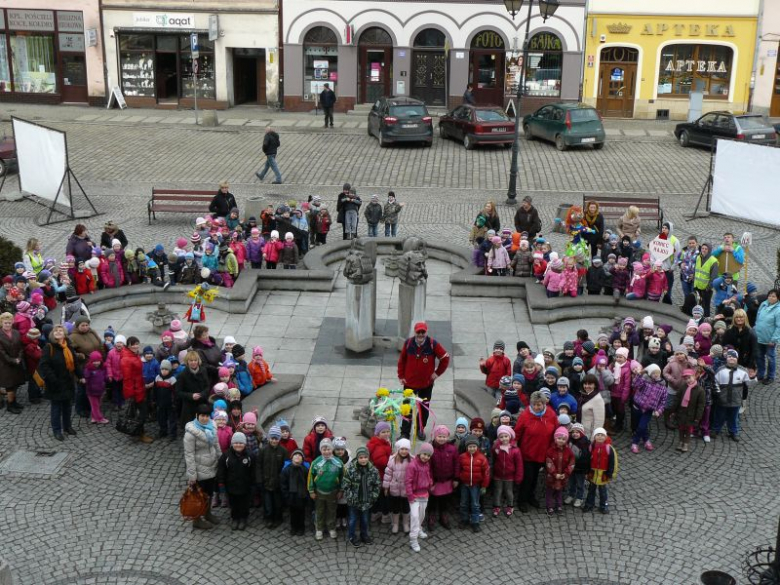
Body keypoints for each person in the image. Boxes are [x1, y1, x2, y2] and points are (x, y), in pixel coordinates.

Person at [397, 321, 451, 440]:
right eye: (418, 332)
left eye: (423, 332)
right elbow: (402, 361)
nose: (420, 334)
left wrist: (437, 373)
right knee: (407, 409)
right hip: (409, 385)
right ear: (415, 332)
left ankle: (420, 429)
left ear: (426, 332)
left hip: (426, 385)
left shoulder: (432, 344)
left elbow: (445, 358)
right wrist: (401, 376)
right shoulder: (408, 343)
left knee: (424, 409)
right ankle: (405, 432)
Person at [514, 390, 558, 512]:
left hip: (543, 453)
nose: (537, 407)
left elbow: (556, 431)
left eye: (539, 404)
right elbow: (517, 433)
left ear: (544, 403)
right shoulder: (525, 415)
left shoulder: (551, 414)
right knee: (527, 478)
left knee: (534, 478)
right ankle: (522, 500)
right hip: (527, 453)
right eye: (535, 404)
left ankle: (530, 496)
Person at [184, 403, 221, 530]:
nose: (204, 418)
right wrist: (192, 475)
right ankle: (197, 519)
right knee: (198, 496)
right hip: (199, 470)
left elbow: (216, 445)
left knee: (209, 493)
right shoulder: (190, 434)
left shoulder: (212, 427)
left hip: (211, 466)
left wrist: (220, 459)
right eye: (202, 416)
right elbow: (189, 455)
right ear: (197, 416)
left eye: (206, 416)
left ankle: (207, 513)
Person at [38, 324, 79, 441]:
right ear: (52, 334)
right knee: (56, 408)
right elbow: (44, 365)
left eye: (60, 331)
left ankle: (67, 426)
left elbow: (74, 363)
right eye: (56, 331)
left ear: (64, 333)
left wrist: (80, 376)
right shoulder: (48, 347)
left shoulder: (68, 346)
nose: (58, 332)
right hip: (55, 383)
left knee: (67, 406)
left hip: (68, 382)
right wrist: (53, 379)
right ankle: (57, 430)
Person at [342, 445, 381, 548]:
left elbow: (377, 484)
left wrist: (373, 496)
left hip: (366, 501)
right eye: (361, 457)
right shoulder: (351, 469)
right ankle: (351, 536)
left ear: (368, 458)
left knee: (364, 519)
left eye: (365, 457)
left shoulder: (373, 470)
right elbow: (345, 485)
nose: (363, 459)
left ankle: (364, 535)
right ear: (357, 458)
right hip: (353, 501)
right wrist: (351, 497)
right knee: (353, 519)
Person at [307, 437, 344, 540]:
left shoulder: (338, 463)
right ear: (321, 450)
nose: (326, 451)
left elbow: (342, 477)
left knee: (331, 510)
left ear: (332, 449)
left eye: (328, 449)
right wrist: (311, 490)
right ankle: (319, 528)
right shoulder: (316, 463)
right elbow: (310, 477)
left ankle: (331, 527)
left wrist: (341, 490)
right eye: (324, 449)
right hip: (319, 492)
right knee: (320, 510)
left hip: (333, 492)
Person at [405, 442, 434, 553]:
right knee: (415, 517)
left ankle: (419, 529)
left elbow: (428, 475)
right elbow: (408, 481)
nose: (425, 457)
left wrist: (430, 483)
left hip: (424, 494)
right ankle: (413, 539)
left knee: (421, 515)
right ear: (419, 453)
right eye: (424, 454)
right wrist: (410, 495)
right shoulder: (412, 465)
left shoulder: (427, 464)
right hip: (414, 496)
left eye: (428, 455)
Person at [458, 436, 490, 532]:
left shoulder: (482, 458)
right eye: (470, 447)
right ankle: (464, 519)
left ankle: (475, 522)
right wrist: (460, 477)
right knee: (463, 503)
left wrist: (484, 485)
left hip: (476, 485)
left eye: (474, 446)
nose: (472, 448)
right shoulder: (462, 457)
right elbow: (458, 469)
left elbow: (486, 472)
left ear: (477, 447)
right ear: (467, 447)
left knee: (475, 504)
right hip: (464, 484)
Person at [490, 425, 523, 517]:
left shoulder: (515, 450)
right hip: (498, 475)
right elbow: (493, 459)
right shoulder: (496, 448)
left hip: (510, 476)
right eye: (501, 436)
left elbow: (519, 465)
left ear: (510, 436)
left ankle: (510, 506)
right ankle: (496, 506)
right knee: (498, 491)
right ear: (498, 438)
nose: (504, 438)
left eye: (506, 436)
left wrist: (518, 477)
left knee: (509, 492)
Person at [582, 428, 616, 513]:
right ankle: (589, 504)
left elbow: (612, 462)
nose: (600, 437)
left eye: (602, 435)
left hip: (603, 473)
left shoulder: (609, 448)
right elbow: (588, 460)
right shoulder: (592, 446)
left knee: (603, 491)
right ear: (594, 436)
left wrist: (610, 473)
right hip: (593, 472)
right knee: (591, 490)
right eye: (598, 435)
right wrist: (587, 471)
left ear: (605, 437)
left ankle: (603, 506)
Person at [383, 438, 412, 534]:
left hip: (406, 489)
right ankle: (395, 524)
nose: (404, 451)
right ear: (398, 449)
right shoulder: (392, 459)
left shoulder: (412, 460)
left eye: (406, 449)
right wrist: (386, 487)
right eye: (402, 449)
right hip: (394, 487)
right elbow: (388, 474)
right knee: (395, 507)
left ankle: (405, 523)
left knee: (406, 507)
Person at [177, 350, 211, 429]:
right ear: (187, 362)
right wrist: (191, 396)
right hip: (189, 406)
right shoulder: (182, 375)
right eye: (191, 360)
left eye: (195, 360)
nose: (193, 362)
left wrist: (201, 394)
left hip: (202, 403)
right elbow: (178, 392)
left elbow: (207, 387)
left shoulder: (203, 371)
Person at [545, 427, 574, 516]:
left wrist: (566, 473)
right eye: (559, 438)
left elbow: (571, 463)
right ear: (555, 438)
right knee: (549, 491)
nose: (561, 440)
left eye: (563, 439)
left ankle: (559, 505)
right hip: (552, 476)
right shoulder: (550, 450)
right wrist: (554, 473)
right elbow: (549, 462)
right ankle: (549, 506)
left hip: (563, 476)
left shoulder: (569, 451)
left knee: (560, 491)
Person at [0, 312, 26, 414]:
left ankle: (14, 402)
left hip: (16, 363)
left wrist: (19, 358)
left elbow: (21, 347)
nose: (7, 325)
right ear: (1, 323)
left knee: (15, 384)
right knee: (9, 386)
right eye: (5, 323)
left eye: (9, 323)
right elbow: (1, 352)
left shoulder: (16, 332)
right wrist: (12, 360)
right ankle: (10, 405)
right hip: (5, 365)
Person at [280, 449, 310, 536]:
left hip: (302, 496)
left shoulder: (305, 470)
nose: (297, 456)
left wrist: (307, 495)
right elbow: (283, 484)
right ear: (291, 458)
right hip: (291, 496)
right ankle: (294, 527)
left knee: (301, 513)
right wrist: (286, 495)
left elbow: (308, 483)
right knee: (293, 513)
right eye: (295, 455)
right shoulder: (286, 470)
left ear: (302, 459)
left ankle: (301, 527)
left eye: (300, 455)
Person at [755, 289, 780, 385]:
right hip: (759, 336)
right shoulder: (763, 304)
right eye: (770, 295)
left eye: (773, 296)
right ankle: (760, 374)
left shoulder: (778, 310)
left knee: (770, 357)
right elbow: (758, 318)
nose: (771, 298)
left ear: (777, 298)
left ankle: (770, 376)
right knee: (759, 356)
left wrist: (774, 339)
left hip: (770, 339)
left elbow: (779, 326)